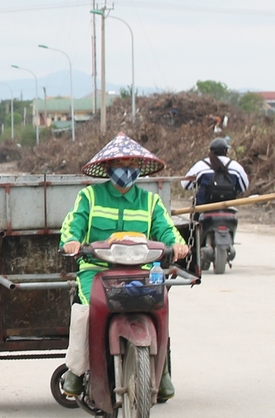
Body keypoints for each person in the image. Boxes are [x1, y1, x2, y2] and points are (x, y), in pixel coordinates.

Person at [59, 134, 188, 401]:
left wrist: (177, 245)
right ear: (108, 168)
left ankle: (162, 373)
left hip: (142, 271)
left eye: (132, 163)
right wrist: (71, 241)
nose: (126, 169)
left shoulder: (150, 202)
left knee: (159, 307)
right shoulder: (90, 196)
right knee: (84, 310)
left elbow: (167, 230)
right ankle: (75, 370)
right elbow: (73, 225)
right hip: (96, 270)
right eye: (120, 163)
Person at [182, 137, 249, 205]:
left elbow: (185, 185)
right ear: (226, 151)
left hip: (204, 207)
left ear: (210, 151)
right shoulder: (236, 166)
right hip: (228, 207)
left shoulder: (201, 165)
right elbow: (244, 187)